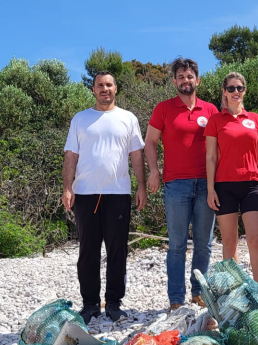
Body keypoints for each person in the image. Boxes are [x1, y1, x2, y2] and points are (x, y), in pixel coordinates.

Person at [62, 71, 147, 323]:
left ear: (116, 89)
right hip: (85, 194)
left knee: (117, 250)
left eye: (109, 85)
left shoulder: (128, 118)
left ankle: (113, 303)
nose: (105, 89)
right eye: (100, 85)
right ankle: (90, 304)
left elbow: (136, 156)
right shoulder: (80, 119)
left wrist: (141, 186)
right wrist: (67, 187)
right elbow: (70, 156)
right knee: (88, 251)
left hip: (118, 193)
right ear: (93, 89)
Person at [144, 57, 220, 311]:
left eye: (189, 77)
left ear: (197, 80)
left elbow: (221, 145)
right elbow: (150, 142)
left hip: (207, 185)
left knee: (204, 244)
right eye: (180, 77)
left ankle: (198, 293)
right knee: (176, 245)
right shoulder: (163, 109)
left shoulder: (210, 110)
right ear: (174, 81)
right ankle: (176, 299)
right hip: (176, 185)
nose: (185, 81)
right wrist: (154, 171)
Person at [204, 72, 258, 283]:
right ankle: (234, 292)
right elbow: (211, 156)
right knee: (229, 242)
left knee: (254, 240)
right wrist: (210, 189)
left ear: (244, 91)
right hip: (224, 186)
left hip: (252, 184)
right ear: (224, 92)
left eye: (240, 88)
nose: (236, 92)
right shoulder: (215, 120)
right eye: (231, 88)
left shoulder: (255, 119)